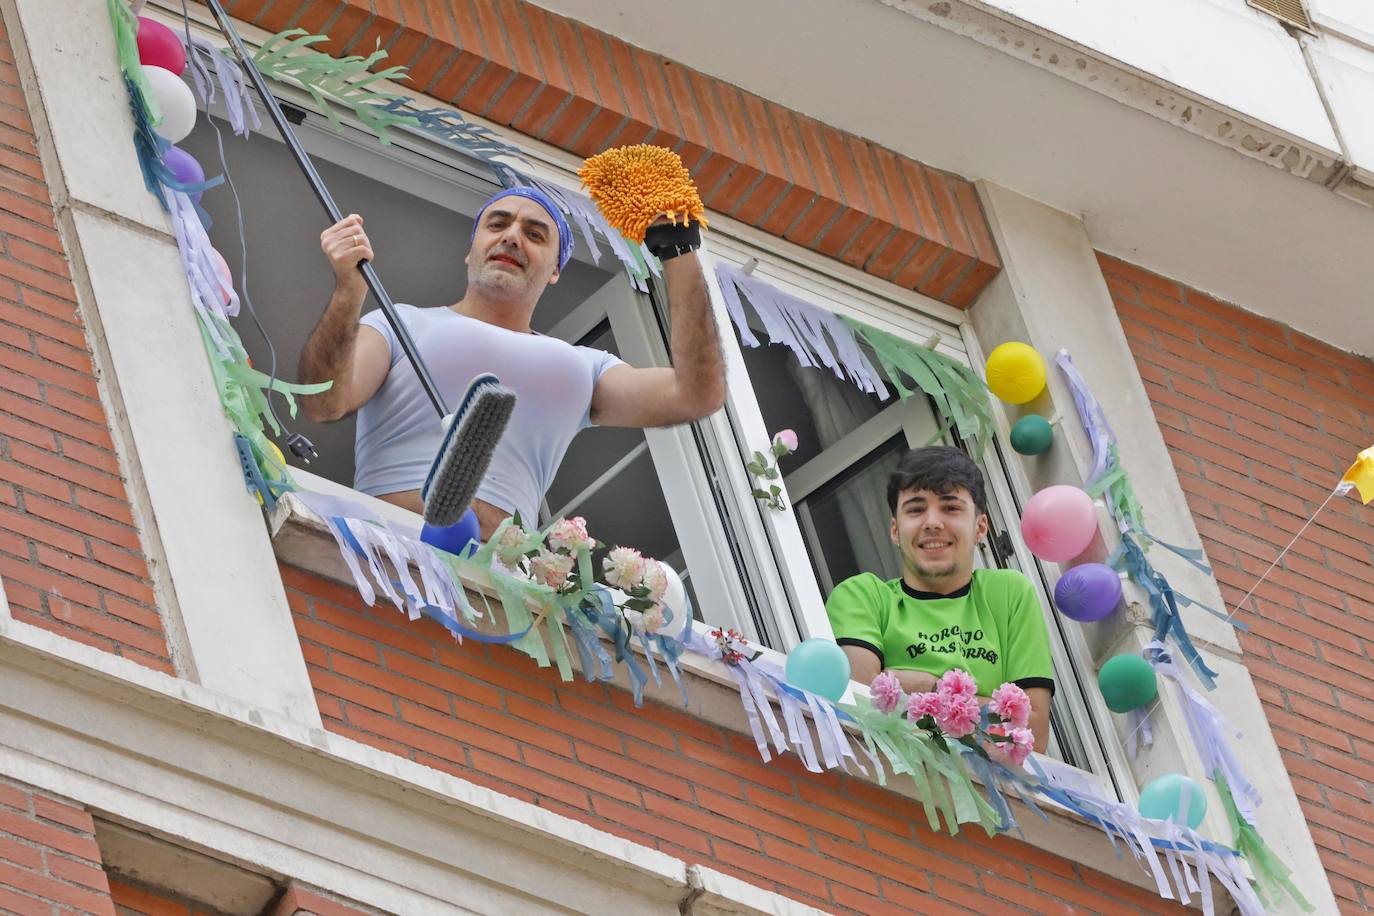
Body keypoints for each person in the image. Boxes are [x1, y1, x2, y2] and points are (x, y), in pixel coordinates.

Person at [297, 186, 725, 539]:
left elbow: (695, 395)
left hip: (501, 583)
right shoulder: (398, 321)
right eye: (497, 224)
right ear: (471, 251)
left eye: (536, 235)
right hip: (390, 548)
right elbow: (324, 403)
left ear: (556, 270)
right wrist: (348, 292)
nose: (513, 237)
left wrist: (680, 252)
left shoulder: (585, 366)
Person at [825, 446, 1055, 751]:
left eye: (950, 508)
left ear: (980, 527)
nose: (932, 522)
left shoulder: (1009, 594)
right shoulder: (862, 596)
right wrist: (985, 708)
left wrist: (923, 687)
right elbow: (861, 704)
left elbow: (1032, 733)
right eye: (916, 509)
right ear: (895, 530)